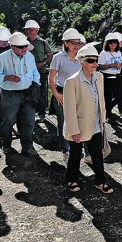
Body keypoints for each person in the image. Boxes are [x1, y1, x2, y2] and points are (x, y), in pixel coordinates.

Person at [62, 44, 113, 194]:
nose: (95, 64)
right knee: (75, 154)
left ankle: (100, 181)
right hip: (78, 124)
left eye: (96, 60)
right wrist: (74, 130)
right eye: (91, 61)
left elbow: (100, 100)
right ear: (82, 61)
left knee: (97, 154)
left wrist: (103, 120)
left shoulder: (99, 77)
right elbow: (69, 108)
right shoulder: (71, 81)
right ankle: (72, 179)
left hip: (95, 123)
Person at [0, 32, 40, 155]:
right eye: (21, 47)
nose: (24, 49)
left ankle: (27, 146)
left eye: (25, 46)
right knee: (8, 121)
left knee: (29, 121)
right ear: (12, 46)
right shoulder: (3, 57)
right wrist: (6, 77)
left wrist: (36, 85)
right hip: (10, 94)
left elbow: (34, 72)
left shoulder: (30, 56)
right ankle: (6, 144)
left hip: (28, 92)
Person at [49, 28, 84, 158]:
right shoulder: (58, 58)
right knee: (64, 122)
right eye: (73, 43)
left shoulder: (82, 57)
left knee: (80, 121)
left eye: (78, 43)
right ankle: (66, 149)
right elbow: (51, 78)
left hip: (79, 93)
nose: (76, 45)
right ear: (66, 43)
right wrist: (56, 94)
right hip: (62, 93)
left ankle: (78, 148)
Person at [24, 20, 53, 122]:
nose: (29, 32)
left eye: (31, 29)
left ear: (37, 30)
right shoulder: (22, 42)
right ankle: (31, 115)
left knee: (41, 93)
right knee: (28, 94)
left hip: (41, 72)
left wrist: (43, 63)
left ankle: (41, 114)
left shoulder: (43, 43)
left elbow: (50, 56)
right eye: (27, 30)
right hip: (26, 73)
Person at [98, 32, 122, 121]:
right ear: (107, 43)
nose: (113, 44)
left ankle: (106, 110)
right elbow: (100, 66)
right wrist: (112, 65)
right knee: (108, 96)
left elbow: (120, 62)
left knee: (120, 96)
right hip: (107, 76)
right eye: (111, 42)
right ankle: (109, 114)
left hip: (117, 75)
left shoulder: (118, 52)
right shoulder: (103, 53)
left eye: (115, 42)